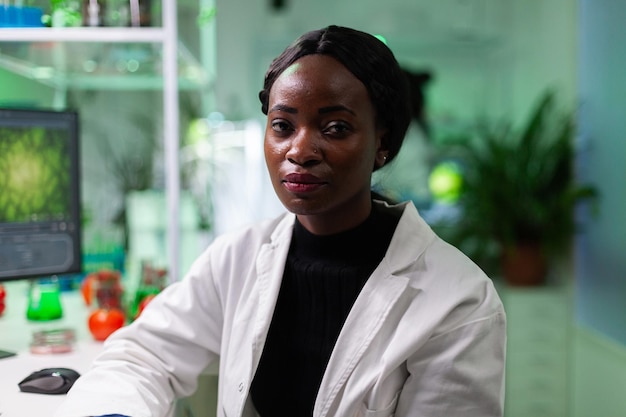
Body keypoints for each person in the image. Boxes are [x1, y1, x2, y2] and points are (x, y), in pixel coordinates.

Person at [55, 25, 506, 417]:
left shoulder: (457, 302)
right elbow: (144, 353)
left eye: (335, 128)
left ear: (382, 142)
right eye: (283, 125)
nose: (300, 151)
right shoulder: (238, 258)